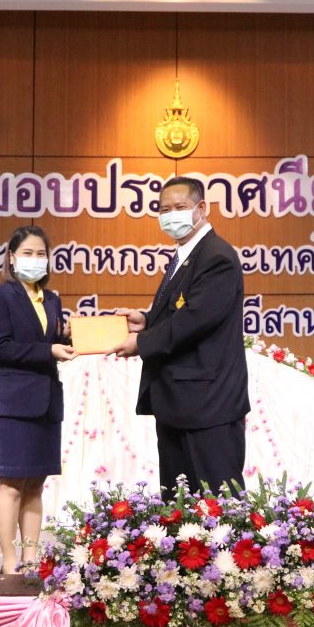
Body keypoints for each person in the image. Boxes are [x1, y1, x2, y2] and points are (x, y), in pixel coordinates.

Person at [111, 176, 249, 498]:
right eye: (164, 209)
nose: (171, 215)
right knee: (179, 507)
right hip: (181, 402)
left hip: (208, 405)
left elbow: (196, 319)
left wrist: (141, 343)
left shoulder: (216, 256)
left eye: (180, 207)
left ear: (202, 208)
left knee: (217, 506)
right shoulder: (186, 255)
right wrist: (146, 320)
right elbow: (179, 311)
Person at [0, 226, 75, 574]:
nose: (35, 260)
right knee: (11, 484)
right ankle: (9, 561)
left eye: (41, 254)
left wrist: (66, 337)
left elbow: (49, 343)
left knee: (35, 484)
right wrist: (49, 350)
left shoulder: (51, 299)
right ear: (12, 257)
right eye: (28, 253)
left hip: (46, 402)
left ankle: (30, 559)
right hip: (14, 404)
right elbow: (0, 347)